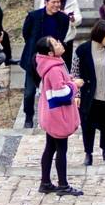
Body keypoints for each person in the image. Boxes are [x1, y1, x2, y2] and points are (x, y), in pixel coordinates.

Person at [34, 35, 83, 196]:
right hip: (57, 116)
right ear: (50, 53)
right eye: (55, 43)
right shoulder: (54, 69)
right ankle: (63, 185)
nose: (60, 43)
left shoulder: (52, 65)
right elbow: (61, 94)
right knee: (61, 149)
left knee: (50, 148)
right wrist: (74, 85)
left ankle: (45, 183)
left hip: (50, 114)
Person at [18, 0, 71, 128]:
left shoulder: (64, 19)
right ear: (46, 2)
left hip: (52, 61)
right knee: (29, 92)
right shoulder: (34, 16)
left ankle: (55, 119)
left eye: (58, 2)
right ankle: (29, 117)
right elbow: (26, 34)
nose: (56, 5)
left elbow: (61, 37)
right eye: (53, 2)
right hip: (34, 60)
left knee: (53, 91)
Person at [73, 18, 105, 167]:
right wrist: (77, 94)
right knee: (88, 126)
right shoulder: (82, 50)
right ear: (99, 34)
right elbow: (74, 73)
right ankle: (88, 153)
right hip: (89, 96)